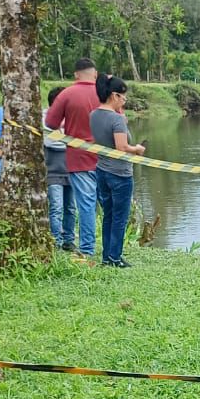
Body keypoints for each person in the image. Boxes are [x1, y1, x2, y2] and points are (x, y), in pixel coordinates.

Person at [44, 58, 100, 260]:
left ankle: (87, 249)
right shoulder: (105, 94)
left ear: (76, 74)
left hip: (78, 159)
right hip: (107, 159)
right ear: (95, 73)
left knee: (85, 205)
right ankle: (112, 249)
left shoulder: (67, 94)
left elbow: (50, 123)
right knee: (106, 205)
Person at [89, 74, 145, 268]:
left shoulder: (94, 115)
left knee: (109, 215)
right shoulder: (116, 119)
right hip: (120, 174)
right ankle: (115, 258)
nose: (124, 100)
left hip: (101, 171)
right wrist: (137, 149)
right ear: (114, 95)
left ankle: (107, 256)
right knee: (120, 217)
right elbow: (121, 147)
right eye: (123, 97)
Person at [44, 87, 76, 252]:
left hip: (72, 171)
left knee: (71, 208)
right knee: (56, 207)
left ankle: (69, 241)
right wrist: (71, 141)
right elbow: (51, 142)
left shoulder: (72, 118)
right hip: (53, 172)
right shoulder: (46, 118)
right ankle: (56, 242)